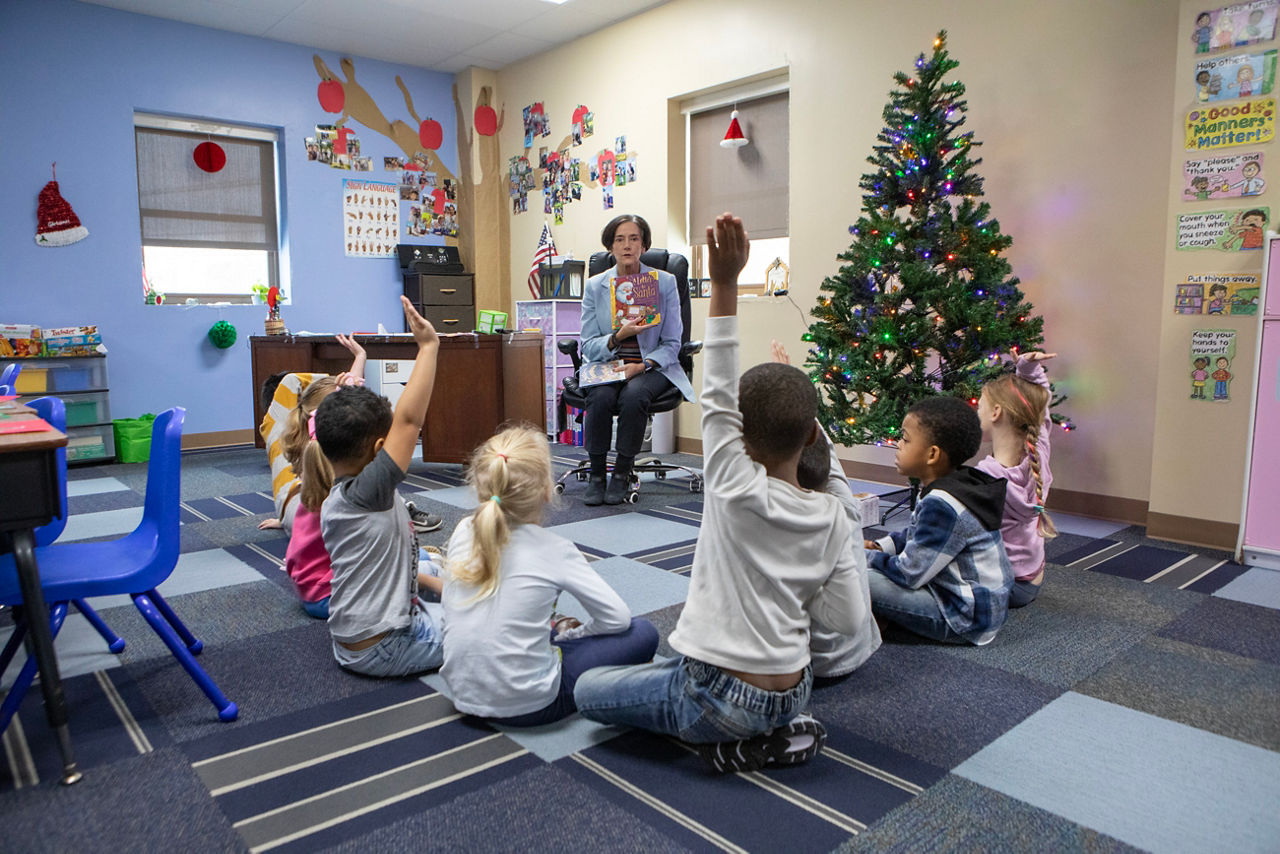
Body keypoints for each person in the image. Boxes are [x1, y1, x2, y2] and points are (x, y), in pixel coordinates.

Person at [574, 214, 877, 774]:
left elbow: (715, 388)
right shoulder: (837, 517)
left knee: (590, 690)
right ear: (813, 434)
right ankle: (773, 722)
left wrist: (725, 283)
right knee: (661, 655)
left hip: (717, 694)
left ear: (735, 433)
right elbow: (846, 624)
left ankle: (729, 743)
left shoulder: (732, 487)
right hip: (795, 687)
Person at [440, 424, 659, 726]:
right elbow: (616, 619)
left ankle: (553, 635)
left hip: (462, 694)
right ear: (546, 491)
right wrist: (572, 637)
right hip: (534, 705)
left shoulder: (463, 529)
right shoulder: (556, 549)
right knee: (643, 632)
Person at [313, 297, 446, 677]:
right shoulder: (369, 492)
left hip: (354, 637)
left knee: (439, 571)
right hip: (386, 646)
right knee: (490, 629)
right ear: (377, 450)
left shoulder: (342, 488)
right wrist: (428, 347)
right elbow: (408, 420)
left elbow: (357, 415)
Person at [258, 333, 441, 536]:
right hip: (328, 517)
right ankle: (400, 509)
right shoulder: (330, 448)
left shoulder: (318, 433)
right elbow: (408, 422)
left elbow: (345, 404)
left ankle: (399, 508)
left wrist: (360, 356)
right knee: (374, 473)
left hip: (313, 515)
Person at [865, 396, 1013, 645]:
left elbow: (909, 573)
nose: (898, 445)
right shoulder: (952, 485)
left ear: (932, 454)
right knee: (867, 570)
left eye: (905, 439)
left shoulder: (942, 503)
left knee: (856, 575)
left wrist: (866, 558)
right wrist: (882, 547)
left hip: (965, 618)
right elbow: (917, 535)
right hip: (978, 605)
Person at [577, 214, 694, 505]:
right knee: (601, 396)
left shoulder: (664, 283)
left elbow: (672, 342)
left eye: (634, 239)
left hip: (650, 366)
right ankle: (596, 474)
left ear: (644, 245)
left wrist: (641, 366)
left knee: (634, 395)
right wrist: (617, 337)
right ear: (610, 247)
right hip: (609, 363)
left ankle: (621, 472)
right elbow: (588, 345)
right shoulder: (595, 287)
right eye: (620, 239)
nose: (627, 245)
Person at [974, 352, 1059, 608]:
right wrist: (1028, 367)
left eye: (979, 406)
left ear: (996, 412)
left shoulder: (986, 476)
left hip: (1003, 586)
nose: (976, 411)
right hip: (1032, 580)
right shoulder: (1039, 456)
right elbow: (1040, 404)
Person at [284, 413, 337, 618]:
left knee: (418, 558)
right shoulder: (336, 509)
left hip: (308, 592)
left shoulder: (306, 501)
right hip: (328, 598)